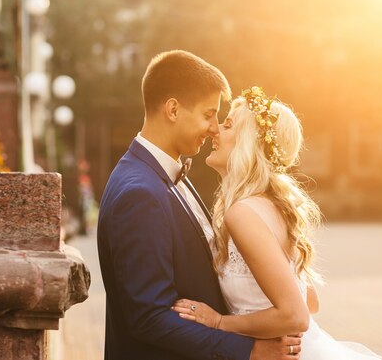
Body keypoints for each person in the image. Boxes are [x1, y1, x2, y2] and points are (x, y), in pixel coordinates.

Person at [98, 53, 302, 360]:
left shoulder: (169, 176)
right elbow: (148, 318)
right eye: (209, 115)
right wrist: (250, 351)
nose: (214, 129)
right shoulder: (139, 193)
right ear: (173, 109)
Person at [172, 87, 382, 360]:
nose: (216, 131)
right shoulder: (273, 206)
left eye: (228, 125)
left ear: (248, 143)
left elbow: (296, 315)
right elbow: (310, 301)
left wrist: (220, 323)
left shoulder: (243, 213)